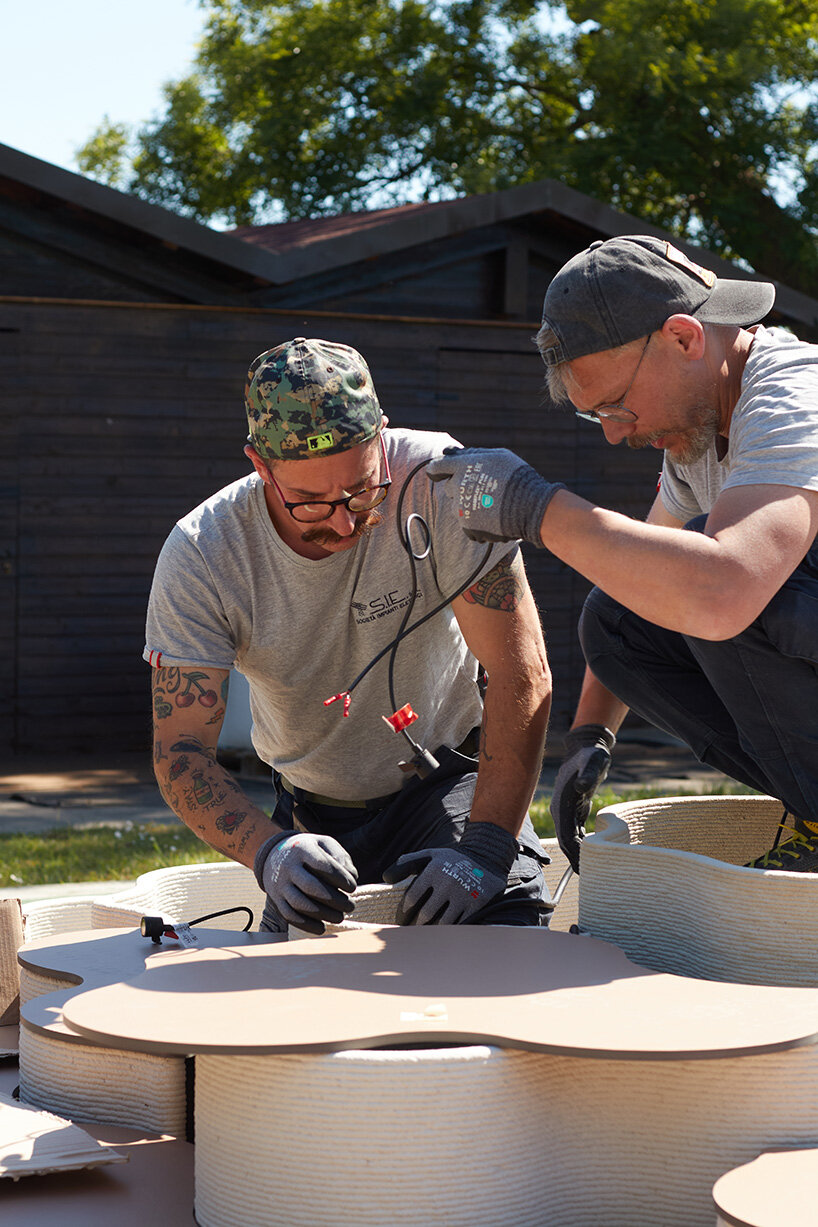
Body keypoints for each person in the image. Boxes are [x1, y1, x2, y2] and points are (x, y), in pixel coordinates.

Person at [426, 234, 818, 874]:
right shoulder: (701, 430)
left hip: (735, 587)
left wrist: (535, 506)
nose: (614, 433)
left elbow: (720, 592)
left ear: (684, 338)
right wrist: (590, 737)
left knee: (712, 588)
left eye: (615, 404)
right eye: (594, 416)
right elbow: (637, 588)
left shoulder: (794, 398)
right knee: (618, 618)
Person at [144, 337, 552, 934]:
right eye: (308, 501)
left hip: (455, 780)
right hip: (309, 812)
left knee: (505, 947)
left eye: (362, 490)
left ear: (383, 438)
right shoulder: (205, 553)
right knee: (303, 1008)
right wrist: (269, 851)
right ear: (260, 466)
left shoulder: (442, 484)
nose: (343, 520)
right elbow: (179, 753)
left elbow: (522, 672)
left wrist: (487, 850)